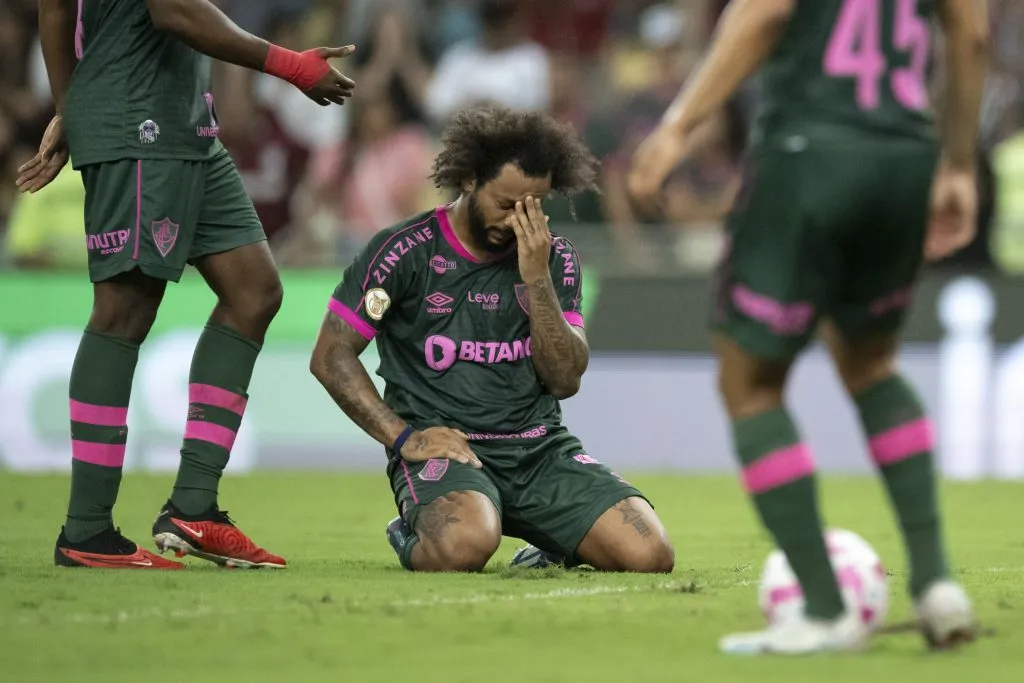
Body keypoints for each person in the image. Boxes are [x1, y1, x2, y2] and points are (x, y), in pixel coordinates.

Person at [628, 0, 988, 655]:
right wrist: (958, 162)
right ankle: (937, 583)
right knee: (872, 363)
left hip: (809, 149)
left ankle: (823, 608)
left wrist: (678, 126)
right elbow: (972, 30)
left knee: (750, 379)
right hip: (905, 154)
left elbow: (765, 13)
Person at [17, 0, 356, 570]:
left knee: (254, 291)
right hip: (138, 119)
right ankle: (87, 530)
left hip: (185, 125)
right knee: (124, 308)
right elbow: (175, 11)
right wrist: (292, 66)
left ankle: (194, 507)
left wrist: (75, 104)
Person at [310, 105, 675, 574]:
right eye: (506, 204)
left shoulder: (554, 259)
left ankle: (552, 543)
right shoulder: (403, 252)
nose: (517, 220)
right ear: (468, 180)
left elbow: (565, 380)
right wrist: (403, 438)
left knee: (651, 555)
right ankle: (410, 532)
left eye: (533, 206)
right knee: (464, 549)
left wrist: (536, 280)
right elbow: (331, 354)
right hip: (450, 449)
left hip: (540, 450)